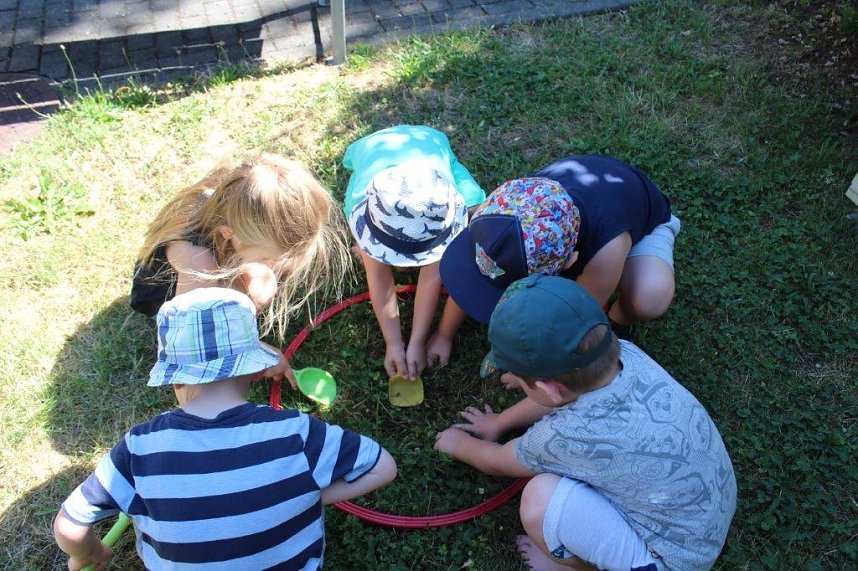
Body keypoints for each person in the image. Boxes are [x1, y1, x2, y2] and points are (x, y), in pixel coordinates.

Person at [54, 288, 397, 570]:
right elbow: (383, 467)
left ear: (174, 380)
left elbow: (69, 525)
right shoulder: (295, 433)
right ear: (253, 372)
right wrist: (304, 495)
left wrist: (89, 554)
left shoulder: (140, 448)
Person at [434, 275, 736, 571]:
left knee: (540, 499)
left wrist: (458, 444)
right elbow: (563, 397)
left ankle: (571, 566)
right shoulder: (627, 355)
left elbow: (499, 460)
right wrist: (500, 422)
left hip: (670, 560)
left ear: (549, 388)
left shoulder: (565, 436)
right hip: (707, 512)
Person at [439, 155, 680, 340]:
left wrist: (530, 369)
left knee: (648, 298)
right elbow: (470, 273)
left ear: (569, 263)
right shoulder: (506, 213)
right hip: (589, 183)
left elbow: (576, 318)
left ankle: (619, 320)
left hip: (639, 218)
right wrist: (443, 335)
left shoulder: (606, 251)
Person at [131, 152, 352, 337]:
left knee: (268, 278)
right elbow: (192, 332)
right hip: (166, 295)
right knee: (260, 292)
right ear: (229, 233)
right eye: (268, 256)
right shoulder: (197, 260)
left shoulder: (239, 199)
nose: (277, 262)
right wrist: (254, 351)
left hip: (218, 261)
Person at [343, 125, 486, 379]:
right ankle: (368, 250)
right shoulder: (359, 200)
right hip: (370, 151)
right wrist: (394, 344)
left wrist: (417, 342)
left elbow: (432, 277)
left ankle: (374, 249)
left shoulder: (436, 208)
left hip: (431, 145)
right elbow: (379, 280)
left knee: (476, 206)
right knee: (370, 257)